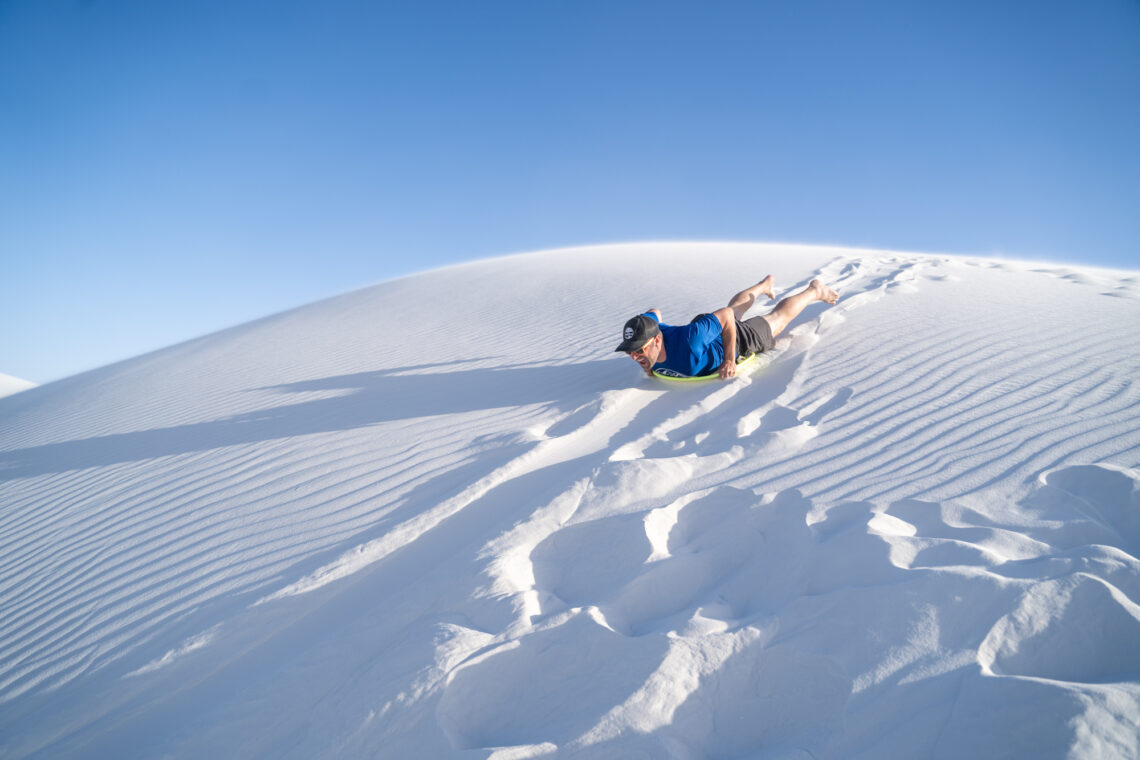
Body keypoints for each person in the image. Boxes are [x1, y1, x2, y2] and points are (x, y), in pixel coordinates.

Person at [615, 276, 840, 380]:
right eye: (630, 352)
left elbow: (725, 315)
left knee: (777, 321)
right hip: (705, 331)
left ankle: (815, 290)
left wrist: (730, 359)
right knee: (734, 311)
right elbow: (653, 311)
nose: (634, 357)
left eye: (639, 350)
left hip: (732, 341)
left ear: (655, 340)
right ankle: (763, 286)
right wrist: (647, 359)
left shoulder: (690, 341)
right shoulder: (651, 330)